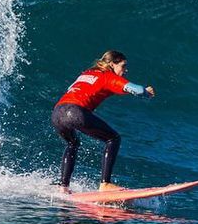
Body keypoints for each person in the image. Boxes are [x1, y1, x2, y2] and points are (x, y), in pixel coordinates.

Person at [51, 50, 155, 193]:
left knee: (72, 143)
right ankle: (105, 184)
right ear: (112, 64)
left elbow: (73, 89)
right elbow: (135, 89)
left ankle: (63, 186)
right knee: (113, 138)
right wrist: (145, 91)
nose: (125, 70)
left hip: (57, 112)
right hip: (75, 111)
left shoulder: (86, 73)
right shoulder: (108, 76)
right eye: (123, 66)